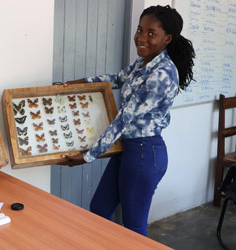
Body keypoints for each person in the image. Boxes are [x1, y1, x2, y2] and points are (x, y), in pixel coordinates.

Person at [62, 5, 195, 236]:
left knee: (133, 228)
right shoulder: (144, 63)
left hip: (144, 154)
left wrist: (88, 156)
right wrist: (83, 83)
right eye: (140, 30)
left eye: (151, 33)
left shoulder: (162, 74)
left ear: (168, 38)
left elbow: (124, 119)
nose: (141, 38)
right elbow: (117, 78)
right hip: (128, 149)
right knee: (100, 209)